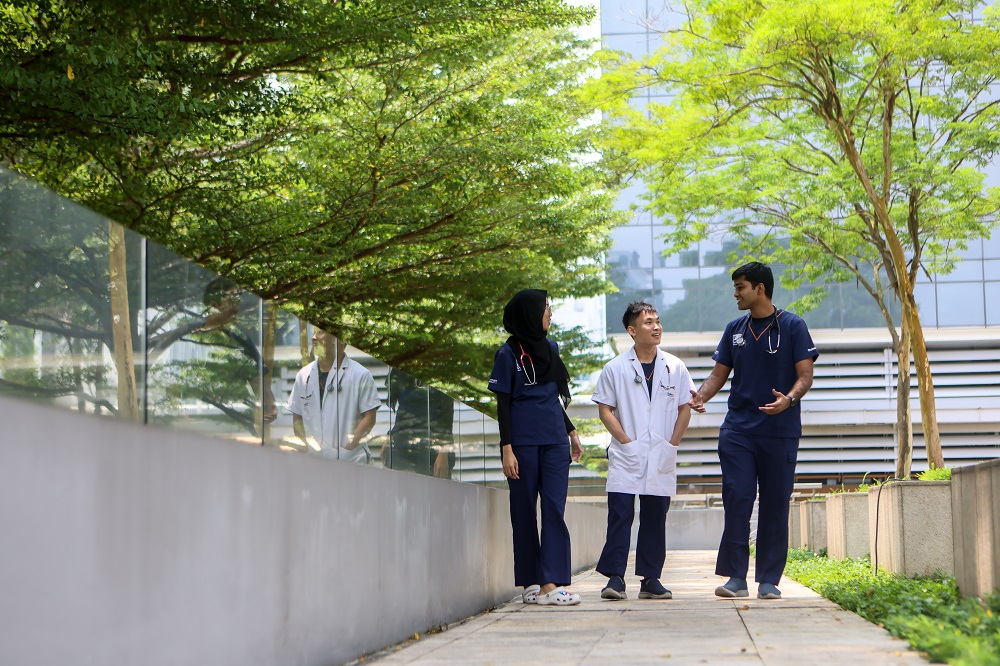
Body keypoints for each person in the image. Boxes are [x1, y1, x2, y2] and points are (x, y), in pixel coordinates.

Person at [688, 262, 818, 600]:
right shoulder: (735, 329)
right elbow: (718, 375)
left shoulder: (792, 326)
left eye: (740, 287)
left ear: (760, 288)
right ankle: (736, 578)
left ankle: (769, 580)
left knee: (775, 504)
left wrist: (788, 400)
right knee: (738, 498)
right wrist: (699, 396)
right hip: (738, 431)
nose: (735, 294)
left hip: (780, 430)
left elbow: (805, 375)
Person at [592, 302, 695, 601]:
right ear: (632, 330)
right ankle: (615, 578)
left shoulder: (674, 366)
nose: (656, 327)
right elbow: (605, 410)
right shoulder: (615, 368)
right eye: (649, 322)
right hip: (627, 454)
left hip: (661, 451)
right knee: (621, 514)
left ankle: (650, 580)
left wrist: (672, 443)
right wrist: (625, 440)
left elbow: (684, 408)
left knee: (654, 516)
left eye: (658, 321)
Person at [489, 289, 584, 607]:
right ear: (530, 313)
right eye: (546, 308)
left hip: (555, 442)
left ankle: (551, 583)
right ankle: (531, 582)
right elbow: (503, 404)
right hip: (523, 446)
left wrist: (571, 431)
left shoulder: (551, 348)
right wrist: (507, 448)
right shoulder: (507, 354)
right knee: (523, 513)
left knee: (554, 510)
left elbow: (552, 399)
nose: (551, 313)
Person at [287, 329, 380, 463]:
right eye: (313, 333)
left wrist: (348, 448)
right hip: (314, 461)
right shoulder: (303, 375)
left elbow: (369, 418)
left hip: (350, 461)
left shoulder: (360, 375)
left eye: (320, 332)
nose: (313, 337)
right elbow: (297, 417)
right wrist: (307, 448)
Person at [383, 368, 456, 478]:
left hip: (432, 445)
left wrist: (443, 450)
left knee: (432, 491)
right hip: (401, 443)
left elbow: (447, 413)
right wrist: (390, 437)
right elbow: (402, 408)